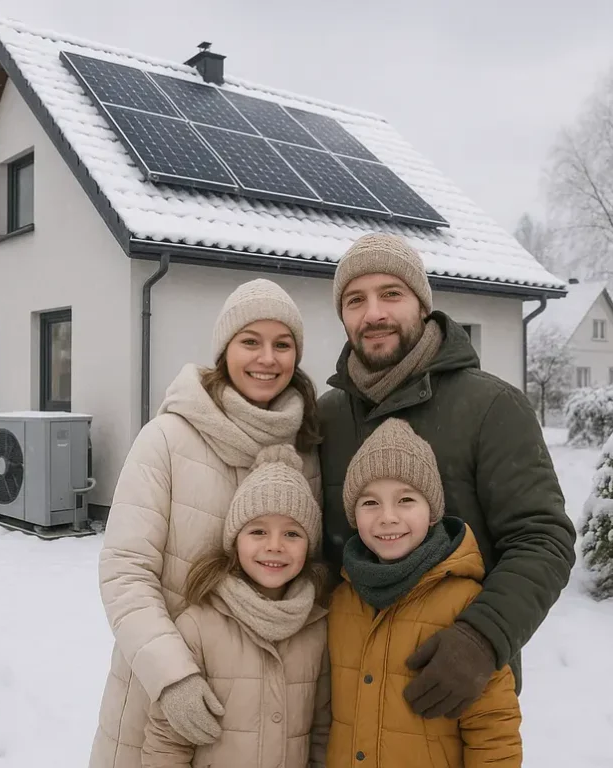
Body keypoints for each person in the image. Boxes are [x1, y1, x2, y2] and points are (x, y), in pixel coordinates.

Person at [318, 232, 576, 718]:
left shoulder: (492, 407)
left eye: (390, 294)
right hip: (346, 701)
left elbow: (543, 538)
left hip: (451, 697)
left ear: (422, 303)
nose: (373, 313)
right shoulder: (327, 419)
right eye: (355, 300)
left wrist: (481, 638)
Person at [89, 279, 321, 768]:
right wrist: (173, 676)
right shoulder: (167, 440)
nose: (267, 358)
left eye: (283, 344)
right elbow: (125, 571)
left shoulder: (306, 451)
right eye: (250, 341)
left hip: (269, 715)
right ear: (224, 350)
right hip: (161, 702)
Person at [326, 418, 522, 767]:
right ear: (353, 514)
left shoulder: (465, 603)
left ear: (432, 511)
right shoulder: (341, 601)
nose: (388, 517)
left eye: (405, 500)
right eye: (370, 503)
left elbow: (493, 729)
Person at [142, 444, 330, 768]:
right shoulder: (198, 626)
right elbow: (166, 745)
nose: (274, 546)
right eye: (258, 531)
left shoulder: (317, 629)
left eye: (292, 533)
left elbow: (322, 735)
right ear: (235, 539)